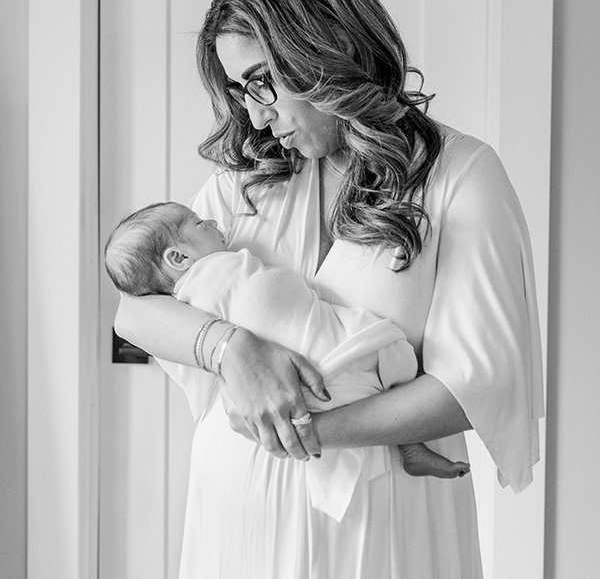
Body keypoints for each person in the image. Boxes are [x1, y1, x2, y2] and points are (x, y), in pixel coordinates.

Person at [115, 0, 544, 579]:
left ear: (322, 49)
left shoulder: (460, 177)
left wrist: (306, 426)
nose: (256, 115)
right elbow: (134, 309)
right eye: (239, 91)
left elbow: (474, 384)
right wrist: (229, 350)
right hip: (235, 518)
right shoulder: (248, 181)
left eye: (263, 81)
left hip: (382, 525)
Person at [105, 200, 470, 520]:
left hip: (296, 411)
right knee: (393, 357)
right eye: (201, 224)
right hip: (306, 383)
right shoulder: (215, 272)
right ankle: (410, 444)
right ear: (178, 258)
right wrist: (234, 346)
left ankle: (409, 444)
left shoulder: (184, 299)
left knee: (379, 375)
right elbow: (264, 295)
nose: (214, 224)